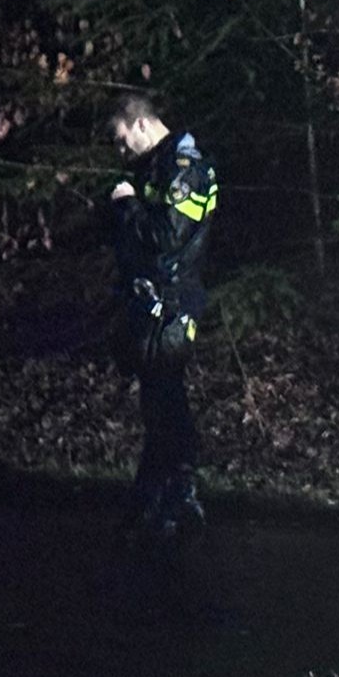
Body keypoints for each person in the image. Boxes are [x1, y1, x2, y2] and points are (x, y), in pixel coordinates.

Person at [108, 93, 217, 541]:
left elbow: (166, 238)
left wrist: (127, 205)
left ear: (139, 125)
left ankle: (178, 494)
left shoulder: (185, 169)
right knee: (158, 400)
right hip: (153, 303)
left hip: (172, 307)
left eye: (120, 140)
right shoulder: (155, 165)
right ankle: (159, 495)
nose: (119, 151)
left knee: (167, 399)